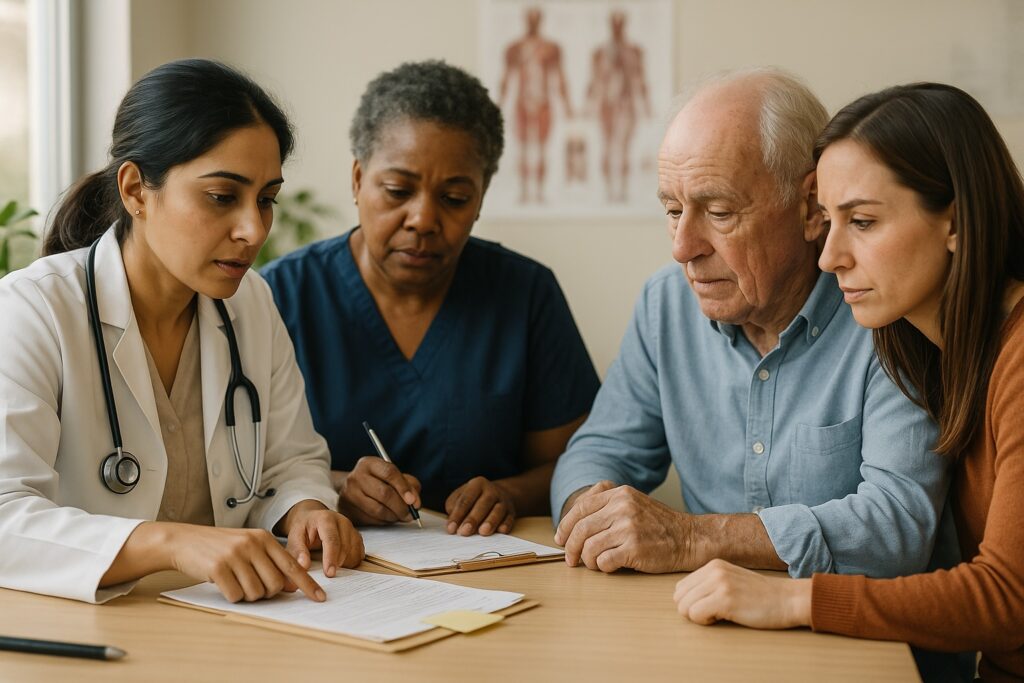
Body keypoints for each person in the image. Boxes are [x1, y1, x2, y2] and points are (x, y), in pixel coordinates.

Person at [672, 83, 1024, 682]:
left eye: (861, 221)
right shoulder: (929, 343)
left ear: (957, 224)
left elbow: (1008, 601)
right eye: (829, 221)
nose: (830, 256)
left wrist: (790, 600)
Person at [550, 69, 955, 581]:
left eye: (719, 211)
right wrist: (593, 514)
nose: (682, 248)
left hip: (862, 643)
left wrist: (694, 537)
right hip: (715, 623)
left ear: (811, 208)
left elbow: (895, 527)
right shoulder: (665, 304)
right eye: (673, 210)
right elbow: (600, 449)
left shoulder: (886, 311)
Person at [0, 59, 363, 605]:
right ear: (136, 191)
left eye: (266, 199)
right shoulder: (34, 310)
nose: (253, 229)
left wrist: (305, 507)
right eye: (222, 196)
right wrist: (169, 543)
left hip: (231, 621)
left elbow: (290, 462)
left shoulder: (251, 303)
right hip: (95, 627)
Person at [262, 61, 599, 538]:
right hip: (330, 576)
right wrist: (336, 490)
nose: (422, 218)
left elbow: (580, 461)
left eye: (455, 198)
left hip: (492, 567)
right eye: (398, 191)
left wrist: (509, 494)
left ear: (480, 200)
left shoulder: (525, 295)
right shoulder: (280, 296)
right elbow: (243, 472)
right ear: (358, 180)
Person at [497, 7, 574, 203]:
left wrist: (567, 106)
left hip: (543, 102)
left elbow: (560, 77)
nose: (533, 22)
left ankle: (539, 192)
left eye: (536, 19)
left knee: (541, 148)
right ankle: (523, 191)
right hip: (522, 102)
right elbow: (506, 78)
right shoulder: (515, 48)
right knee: (523, 148)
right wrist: (498, 104)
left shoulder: (551, 48)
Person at [585, 10, 652, 203]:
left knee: (624, 148)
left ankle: (621, 190)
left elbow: (640, 80)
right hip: (607, 105)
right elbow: (594, 81)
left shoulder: (633, 51)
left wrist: (646, 107)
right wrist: (588, 107)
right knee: (607, 146)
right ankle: (608, 191)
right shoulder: (600, 53)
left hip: (626, 105)